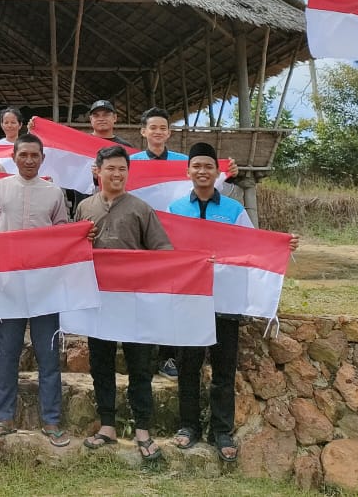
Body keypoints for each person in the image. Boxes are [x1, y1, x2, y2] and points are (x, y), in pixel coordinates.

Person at [167, 142, 299, 463]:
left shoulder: (233, 210)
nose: (201, 171)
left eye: (208, 166)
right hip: (189, 300)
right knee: (188, 367)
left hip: (225, 302)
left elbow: (253, 247)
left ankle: (221, 430)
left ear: (217, 172)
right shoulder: (174, 211)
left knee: (224, 370)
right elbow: (164, 252)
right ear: (188, 172)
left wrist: (282, 245)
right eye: (196, 166)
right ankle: (188, 426)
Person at [75, 145, 172, 463]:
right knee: (100, 366)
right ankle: (107, 426)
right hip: (98, 301)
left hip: (134, 302)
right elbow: (71, 253)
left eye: (122, 169)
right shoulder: (84, 208)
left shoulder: (141, 209)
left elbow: (163, 252)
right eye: (111, 169)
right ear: (97, 171)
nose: (117, 174)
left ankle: (143, 429)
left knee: (140, 367)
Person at [0, 133, 73, 447]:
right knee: (6, 353)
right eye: (24, 155)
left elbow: (63, 230)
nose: (29, 160)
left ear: (43, 158)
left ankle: (51, 420)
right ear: (15, 157)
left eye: (35, 155)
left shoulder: (54, 192)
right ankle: (3, 417)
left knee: (48, 356)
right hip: (9, 286)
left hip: (45, 286)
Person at [128, 107, 187, 380]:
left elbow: (204, 181)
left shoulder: (183, 164)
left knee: (170, 296)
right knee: (141, 295)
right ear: (143, 132)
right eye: (153, 127)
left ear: (169, 132)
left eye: (163, 128)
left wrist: (228, 172)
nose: (158, 132)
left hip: (172, 238)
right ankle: (140, 354)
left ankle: (168, 355)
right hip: (139, 237)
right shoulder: (132, 163)